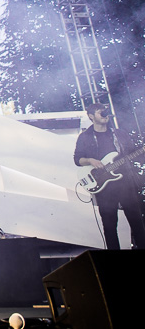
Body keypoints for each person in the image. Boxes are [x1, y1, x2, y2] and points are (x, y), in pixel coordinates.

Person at [74, 103, 145, 250]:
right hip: (104, 187)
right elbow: (77, 159)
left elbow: (133, 153)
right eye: (100, 112)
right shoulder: (85, 137)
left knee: (137, 221)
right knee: (109, 225)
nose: (104, 114)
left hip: (126, 183)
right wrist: (90, 160)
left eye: (105, 112)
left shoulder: (119, 134)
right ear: (91, 116)